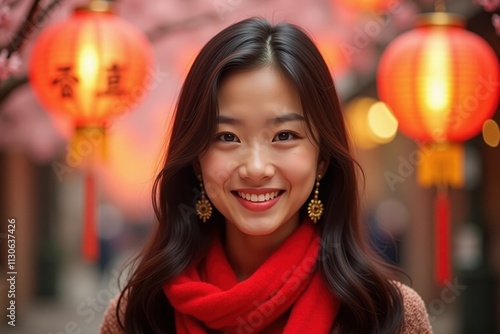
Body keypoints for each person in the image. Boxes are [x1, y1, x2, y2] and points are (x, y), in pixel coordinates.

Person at [100, 17, 432, 333]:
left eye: (285, 136)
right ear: (196, 159)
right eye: (227, 137)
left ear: (322, 159)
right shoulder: (140, 315)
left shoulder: (387, 316)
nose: (257, 168)